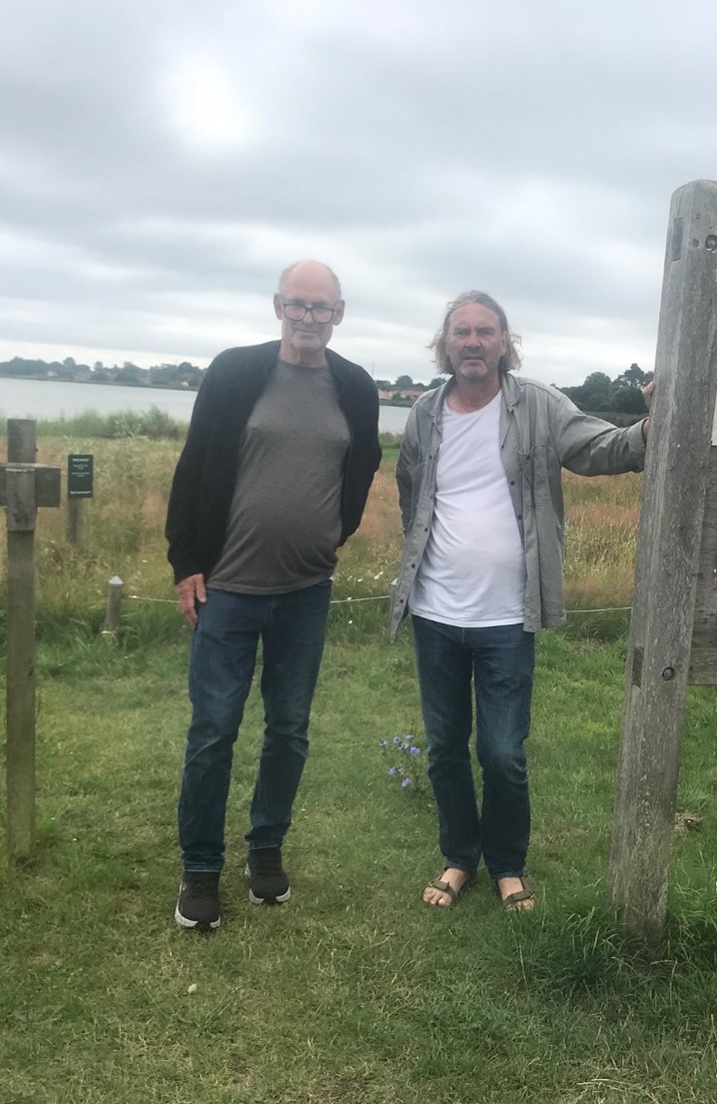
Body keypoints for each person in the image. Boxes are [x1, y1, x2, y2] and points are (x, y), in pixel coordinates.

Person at [389, 290, 650, 912]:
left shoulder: (538, 404)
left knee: (503, 752)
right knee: (445, 747)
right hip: (435, 612)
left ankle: (507, 865)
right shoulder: (424, 413)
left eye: (486, 331)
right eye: (461, 332)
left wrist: (652, 426)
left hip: (508, 615)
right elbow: (409, 491)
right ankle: (460, 858)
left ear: (504, 343)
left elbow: (600, 449)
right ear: (445, 344)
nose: (473, 342)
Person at [165, 260, 381, 929]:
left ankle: (265, 848)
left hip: (306, 591)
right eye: (298, 304)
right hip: (226, 588)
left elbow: (362, 467)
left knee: (288, 729)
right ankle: (201, 868)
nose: (308, 318)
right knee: (214, 730)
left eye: (321, 308)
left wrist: (330, 537)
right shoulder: (235, 371)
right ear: (278, 306)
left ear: (339, 314)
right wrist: (186, 562)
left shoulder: (355, 386)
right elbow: (195, 464)